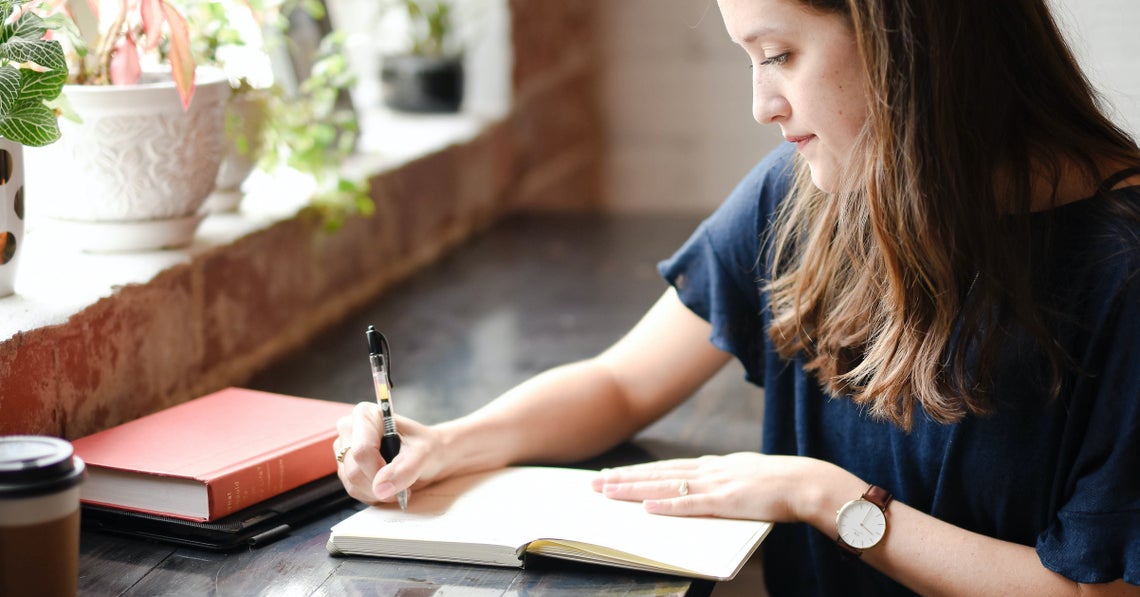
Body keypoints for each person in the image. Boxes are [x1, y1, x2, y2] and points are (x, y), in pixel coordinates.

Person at [335, 0, 1140, 594]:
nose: (762, 105)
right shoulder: (808, 193)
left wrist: (826, 497)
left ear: (906, 39)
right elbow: (622, 382)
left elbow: (1091, 591)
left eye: (779, 54)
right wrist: (452, 442)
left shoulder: (1122, 270)